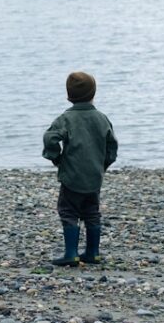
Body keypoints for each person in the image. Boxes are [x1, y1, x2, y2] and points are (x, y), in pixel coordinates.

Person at [42, 71, 118, 267]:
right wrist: (103, 165)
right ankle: (93, 252)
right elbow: (112, 146)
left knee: (68, 212)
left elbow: (50, 138)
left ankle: (71, 253)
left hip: (71, 176)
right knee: (92, 213)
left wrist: (56, 158)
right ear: (93, 94)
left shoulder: (65, 119)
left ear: (69, 96)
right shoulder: (102, 118)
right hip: (94, 176)